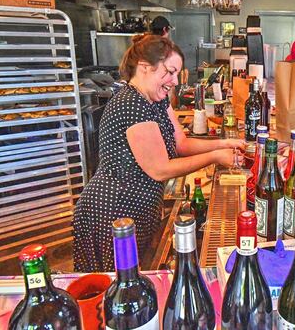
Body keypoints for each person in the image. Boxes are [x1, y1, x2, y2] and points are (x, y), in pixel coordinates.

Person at [73, 34, 244, 272]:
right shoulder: (130, 104)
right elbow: (160, 169)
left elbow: (181, 143)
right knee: (117, 286)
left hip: (140, 207)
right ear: (145, 67)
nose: (174, 81)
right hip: (113, 211)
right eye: (170, 72)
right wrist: (215, 157)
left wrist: (222, 144)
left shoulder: (157, 101)